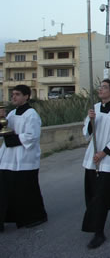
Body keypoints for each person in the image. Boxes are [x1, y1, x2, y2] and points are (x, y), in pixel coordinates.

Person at [81, 79, 110, 249]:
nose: (100, 90)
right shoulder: (95, 108)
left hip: (107, 159)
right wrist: (91, 122)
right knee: (94, 192)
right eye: (100, 87)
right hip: (92, 158)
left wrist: (103, 153)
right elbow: (86, 133)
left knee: (100, 197)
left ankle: (98, 233)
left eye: (104, 87)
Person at [0, 85, 47, 232]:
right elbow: (4, 130)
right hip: (8, 158)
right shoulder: (12, 113)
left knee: (26, 190)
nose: (13, 97)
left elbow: (31, 137)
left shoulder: (31, 114)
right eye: (13, 94)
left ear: (27, 96)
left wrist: (11, 137)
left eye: (17, 94)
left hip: (25, 158)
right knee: (5, 190)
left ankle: (35, 217)